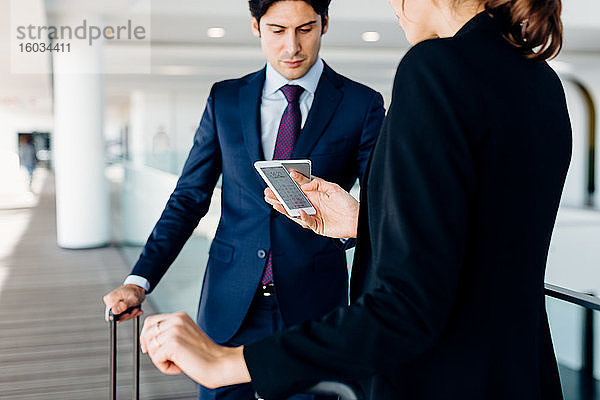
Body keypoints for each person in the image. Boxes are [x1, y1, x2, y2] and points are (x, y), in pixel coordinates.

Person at [138, 0, 572, 399]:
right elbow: (476, 244)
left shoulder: (434, 68)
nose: (392, 7)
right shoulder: (539, 80)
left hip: (440, 376)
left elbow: (405, 309)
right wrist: (363, 222)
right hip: (520, 374)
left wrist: (230, 361)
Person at [103, 0, 385, 399]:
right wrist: (140, 280)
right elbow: (189, 197)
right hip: (230, 302)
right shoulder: (226, 99)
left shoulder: (361, 104)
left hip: (313, 307)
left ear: (325, 23)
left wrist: (349, 230)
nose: (292, 47)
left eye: (305, 29)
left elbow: (382, 204)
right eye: (276, 30)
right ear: (255, 25)